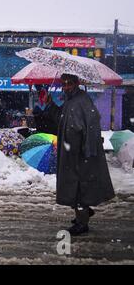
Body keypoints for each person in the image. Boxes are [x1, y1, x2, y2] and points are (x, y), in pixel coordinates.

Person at [56, 73, 115, 236]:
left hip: (80, 154)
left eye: (69, 83)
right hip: (70, 152)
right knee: (72, 185)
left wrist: (87, 148)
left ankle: (82, 222)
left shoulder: (82, 100)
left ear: (76, 83)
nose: (66, 86)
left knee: (79, 187)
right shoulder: (70, 100)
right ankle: (83, 211)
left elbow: (92, 124)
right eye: (64, 84)